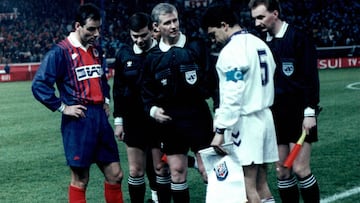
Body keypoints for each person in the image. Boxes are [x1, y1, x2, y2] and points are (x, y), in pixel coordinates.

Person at [31, 3, 124, 203]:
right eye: (91, 29)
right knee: (81, 179)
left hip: (100, 117)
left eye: (99, 28)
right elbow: (39, 85)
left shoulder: (97, 50)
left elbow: (102, 79)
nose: (96, 33)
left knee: (116, 174)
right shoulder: (61, 52)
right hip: (79, 120)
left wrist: (105, 100)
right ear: (77, 26)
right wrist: (63, 107)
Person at [202, 4, 279, 203]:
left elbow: (232, 94)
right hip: (265, 118)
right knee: (262, 184)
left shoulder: (231, 52)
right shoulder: (260, 44)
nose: (214, 40)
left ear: (224, 25)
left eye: (213, 34)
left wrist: (220, 131)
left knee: (246, 188)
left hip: (245, 123)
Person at [142, 3, 217, 202]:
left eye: (175, 20)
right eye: (168, 22)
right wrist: (153, 110)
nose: (174, 25)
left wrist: (218, 110)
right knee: (176, 171)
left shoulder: (196, 46)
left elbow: (214, 81)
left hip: (198, 116)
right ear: (157, 27)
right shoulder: (152, 58)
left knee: (208, 170)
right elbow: (146, 93)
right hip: (170, 121)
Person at [248, 0, 321, 202]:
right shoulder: (261, 43)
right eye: (254, 18)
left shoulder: (298, 38)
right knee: (282, 171)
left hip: (299, 114)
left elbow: (310, 79)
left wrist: (309, 112)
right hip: (275, 115)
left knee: (300, 168)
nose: (257, 23)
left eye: (261, 17)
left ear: (275, 13)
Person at [112, 12, 162, 203]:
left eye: (143, 35)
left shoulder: (162, 52)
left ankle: (157, 198)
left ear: (152, 30)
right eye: (135, 36)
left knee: (160, 168)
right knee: (135, 169)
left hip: (158, 120)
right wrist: (118, 121)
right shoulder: (124, 54)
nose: (140, 40)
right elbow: (118, 89)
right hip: (133, 120)